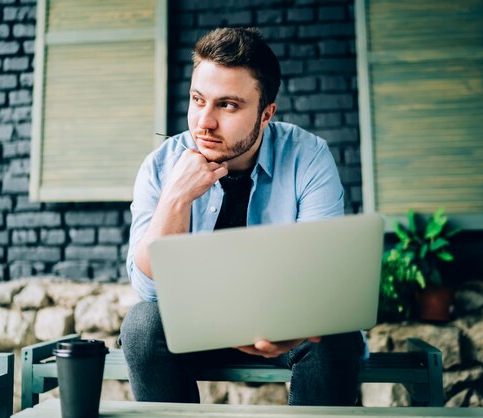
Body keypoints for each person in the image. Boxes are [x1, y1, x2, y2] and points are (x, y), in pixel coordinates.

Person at [120, 27, 365, 406]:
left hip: (284, 329)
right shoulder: (161, 165)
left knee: (336, 335)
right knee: (142, 325)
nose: (205, 122)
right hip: (194, 328)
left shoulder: (308, 156)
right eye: (198, 100)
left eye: (227, 105)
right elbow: (151, 290)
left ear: (266, 113)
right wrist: (175, 197)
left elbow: (321, 280)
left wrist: (298, 325)